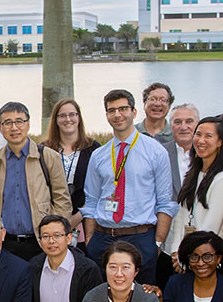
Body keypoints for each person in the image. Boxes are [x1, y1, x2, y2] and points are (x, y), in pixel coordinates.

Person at [82, 89, 178, 284]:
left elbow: (165, 202)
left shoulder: (155, 152)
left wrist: (157, 243)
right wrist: (91, 239)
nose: (117, 115)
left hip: (140, 238)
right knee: (103, 300)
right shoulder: (99, 155)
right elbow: (91, 201)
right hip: (103, 237)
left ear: (134, 113)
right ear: (107, 115)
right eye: (112, 110)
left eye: (123, 109)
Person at [0, 101, 71, 261]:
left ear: (28, 124)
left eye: (19, 121)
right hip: (5, 243)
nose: (14, 128)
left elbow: (62, 199)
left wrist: (58, 236)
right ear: (0, 128)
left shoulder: (48, 157)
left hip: (40, 242)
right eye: (7, 123)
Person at [164, 116, 223, 273]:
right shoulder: (194, 173)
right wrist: (176, 251)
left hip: (205, 259)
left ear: (220, 142)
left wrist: (187, 256)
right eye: (198, 134)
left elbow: (211, 226)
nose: (201, 141)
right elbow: (181, 215)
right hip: (186, 256)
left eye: (208, 136)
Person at [42, 98, 99, 240]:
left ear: (79, 118)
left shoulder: (94, 149)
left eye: (72, 114)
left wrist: (78, 216)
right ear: (55, 120)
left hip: (84, 221)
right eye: (62, 116)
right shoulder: (44, 150)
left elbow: (99, 187)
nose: (68, 119)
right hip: (50, 222)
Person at [162, 103, 200, 197]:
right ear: (170, 125)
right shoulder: (160, 153)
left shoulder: (208, 154)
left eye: (189, 121)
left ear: (198, 124)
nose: (183, 127)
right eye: (177, 122)